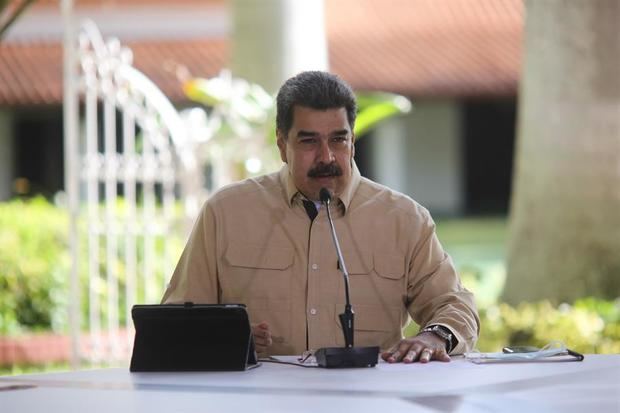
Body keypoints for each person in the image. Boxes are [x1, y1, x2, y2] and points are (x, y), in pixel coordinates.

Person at [162, 71, 479, 363]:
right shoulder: (226, 213)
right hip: (258, 399)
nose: (326, 157)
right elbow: (175, 324)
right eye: (309, 141)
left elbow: (455, 305)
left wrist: (436, 336)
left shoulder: (405, 219)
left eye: (338, 139)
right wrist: (226, 337)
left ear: (353, 142)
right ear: (282, 144)